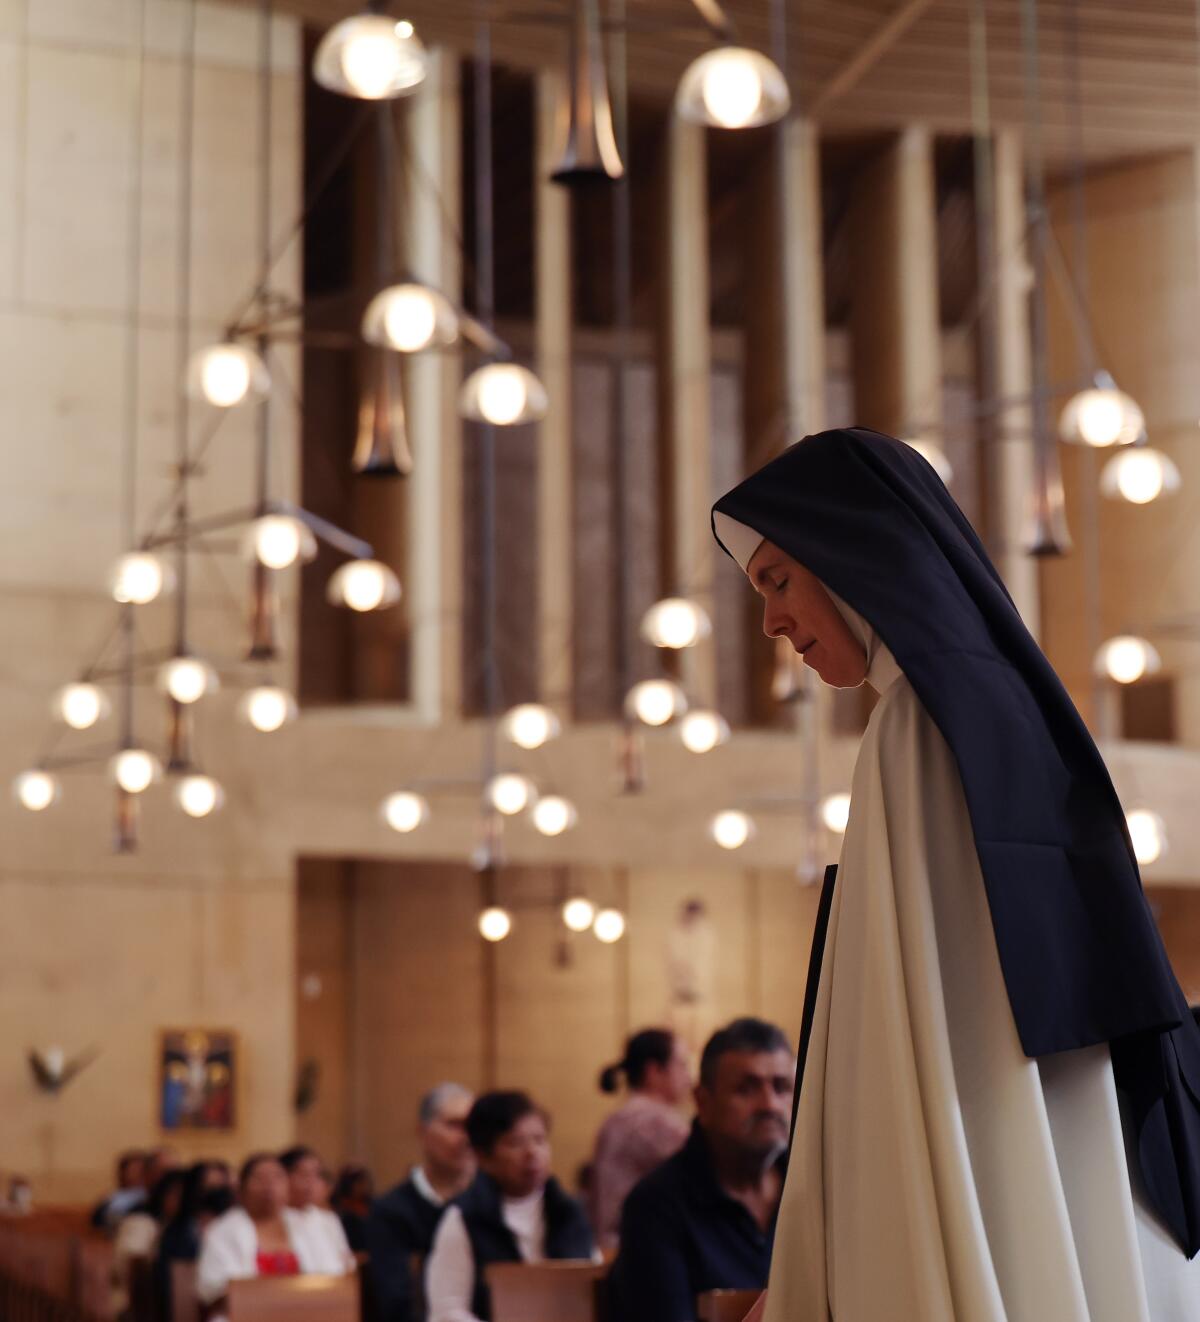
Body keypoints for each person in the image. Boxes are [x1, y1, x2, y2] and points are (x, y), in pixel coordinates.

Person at [711, 427, 1200, 1322]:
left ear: (852, 549)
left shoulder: (917, 730)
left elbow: (922, 1050)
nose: (774, 623)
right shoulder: (1000, 704)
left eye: (778, 580)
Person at [605, 1018, 793, 1322]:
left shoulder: (814, 1193)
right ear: (703, 1102)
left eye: (782, 1087)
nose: (769, 1104)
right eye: (747, 1089)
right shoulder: (654, 1205)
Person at [425, 1091, 595, 1322]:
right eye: (515, 1143)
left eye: (540, 1139)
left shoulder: (569, 1211)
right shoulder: (464, 1217)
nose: (532, 1153)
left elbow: (593, 1290)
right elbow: (447, 1311)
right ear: (483, 1157)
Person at [367, 1082, 476, 1322]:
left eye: (472, 1127)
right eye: (454, 1125)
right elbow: (396, 1305)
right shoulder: (392, 1212)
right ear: (423, 1132)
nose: (466, 1138)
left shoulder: (488, 1205)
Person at [196, 1153, 351, 1321]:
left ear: (287, 1186)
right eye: (260, 1179)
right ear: (241, 1189)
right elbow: (215, 1291)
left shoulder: (308, 1226)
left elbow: (332, 1278)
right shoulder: (223, 1231)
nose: (269, 1186)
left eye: (277, 1178)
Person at [589, 1028, 692, 1251]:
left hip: (611, 1248)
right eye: (682, 1065)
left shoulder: (617, 1118)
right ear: (654, 1071)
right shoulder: (655, 1121)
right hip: (643, 1248)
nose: (689, 1077)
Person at [154, 1161, 234, 1319]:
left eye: (221, 1188)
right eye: (209, 1189)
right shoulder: (179, 1233)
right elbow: (176, 1289)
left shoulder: (235, 1227)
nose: (215, 1196)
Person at [112, 1168, 187, 1319]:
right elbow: (128, 1271)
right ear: (162, 1195)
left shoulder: (189, 1229)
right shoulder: (140, 1223)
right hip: (135, 1307)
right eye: (177, 1195)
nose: (183, 1202)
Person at [279, 1145, 356, 1274]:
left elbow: (347, 1261)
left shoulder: (328, 1219)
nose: (311, 1182)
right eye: (304, 1174)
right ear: (284, 1177)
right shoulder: (275, 1220)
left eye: (316, 1174)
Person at [91, 1151, 147, 1231]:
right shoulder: (112, 1196)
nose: (134, 1174)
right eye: (131, 1170)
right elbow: (95, 1221)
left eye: (138, 1170)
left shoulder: (147, 1196)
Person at [331, 1163, 374, 1253]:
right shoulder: (341, 1207)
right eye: (359, 1182)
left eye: (365, 1182)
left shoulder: (371, 1204)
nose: (364, 1187)